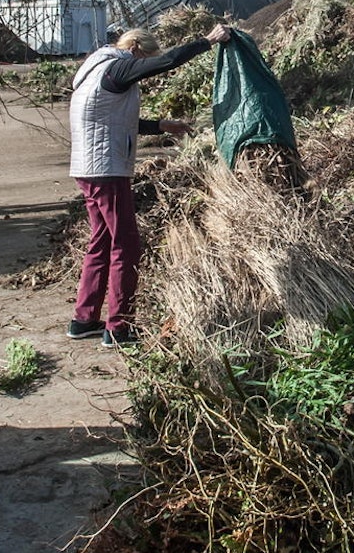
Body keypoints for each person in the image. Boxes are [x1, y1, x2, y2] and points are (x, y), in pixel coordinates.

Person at [67, 23, 232, 347]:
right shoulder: (118, 66)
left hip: (87, 169)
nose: (143, 66)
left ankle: (83, 320)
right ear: (136, 50)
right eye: (144, 58)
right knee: (126, 245)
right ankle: (118, 328)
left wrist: (160, 125)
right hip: (107, 170)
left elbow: (111, 118)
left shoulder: (92, 72)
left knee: (101, 242)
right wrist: (207, 41)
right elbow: (167, 61)